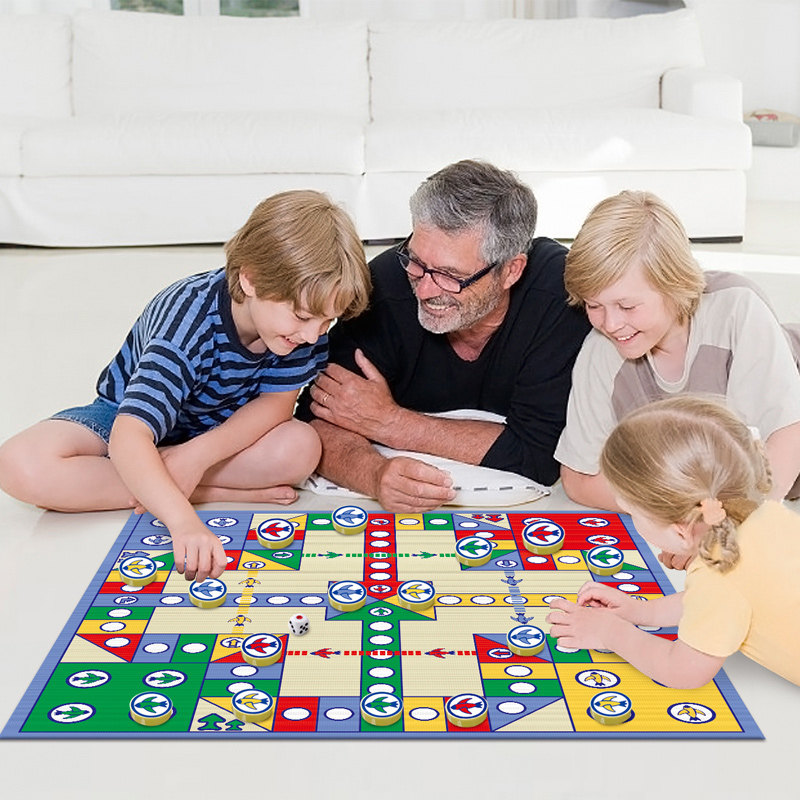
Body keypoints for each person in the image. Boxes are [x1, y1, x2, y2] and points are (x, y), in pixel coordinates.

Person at [0, 190, 371, 582]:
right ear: (250, 279)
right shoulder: (186, 321)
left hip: (218, 433)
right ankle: (193, 488)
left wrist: (195, 457)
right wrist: (183, 521)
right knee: (19, 464)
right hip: (125, 420)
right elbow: (130, 434)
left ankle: (162, 477)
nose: (313, 335)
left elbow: (275, 406)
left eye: (326, 322)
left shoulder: (300, 331)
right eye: (303, 317)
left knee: (302, 447)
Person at [296, 160, 591, 512]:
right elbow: (316, 418)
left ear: (511, 270)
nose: (423, 291)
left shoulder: (559, 296)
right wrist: (374, 474)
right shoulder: (386, 285)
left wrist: (391, 422)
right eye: (417, 263)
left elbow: (540, 455)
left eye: (451, 276)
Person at [555, 190, 800, 518]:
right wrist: (683, 512)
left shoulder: (737, 310)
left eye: (627, 306)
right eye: (594, 305)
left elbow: (787, 434)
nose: (610, 324)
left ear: (672, 284)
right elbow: (579, 478)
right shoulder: (600, 351)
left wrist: (735, 522)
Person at [547, 395, 800, 689]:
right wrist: (644, 612)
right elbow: (714, 601)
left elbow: (682, 671)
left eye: (632, 512)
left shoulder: (719, 575)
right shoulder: (765, 515)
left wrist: (609, 632)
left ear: (680, 530)